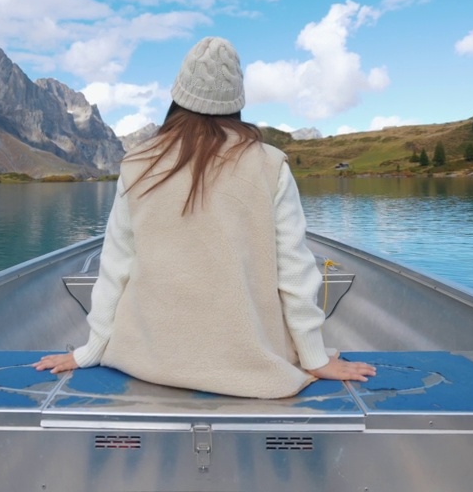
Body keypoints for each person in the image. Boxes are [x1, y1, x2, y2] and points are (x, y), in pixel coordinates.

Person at [34, 37, 375, 397]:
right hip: (249, 365)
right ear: (236, 102)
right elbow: (294, 270)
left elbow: (115, 264)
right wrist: (314, 357)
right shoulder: (270, 164)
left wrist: (92, 350)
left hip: (148, 359)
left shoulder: (136, 163)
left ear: (178, 97)